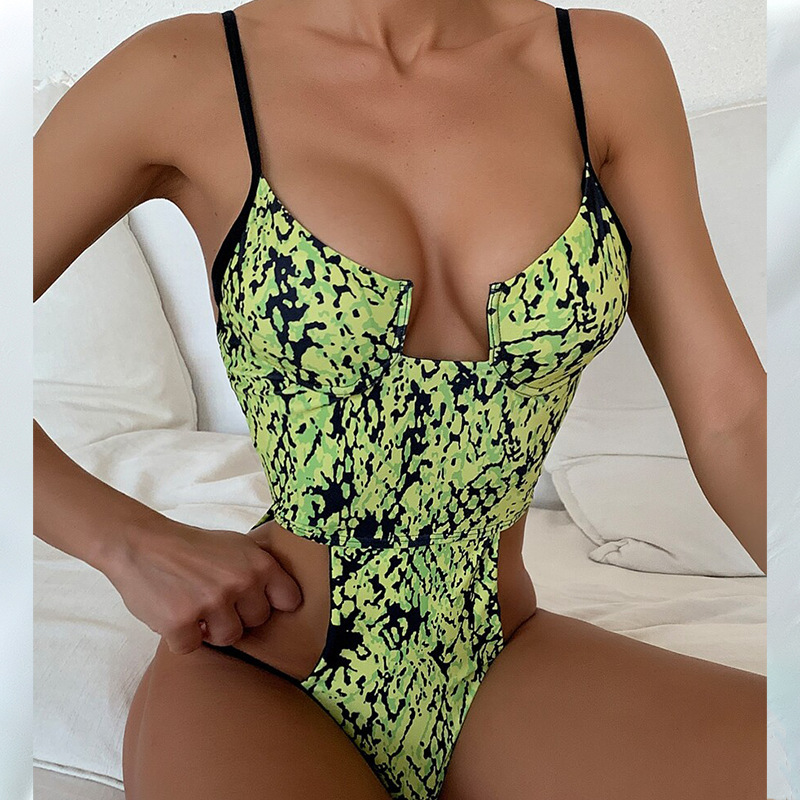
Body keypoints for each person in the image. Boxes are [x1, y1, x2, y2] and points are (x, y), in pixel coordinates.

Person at [33, 1, 766, 797]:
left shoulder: (602, 64)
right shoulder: (182, 72)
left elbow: (732, 414)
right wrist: (122, 540)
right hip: (268, 669)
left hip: (500, 657)